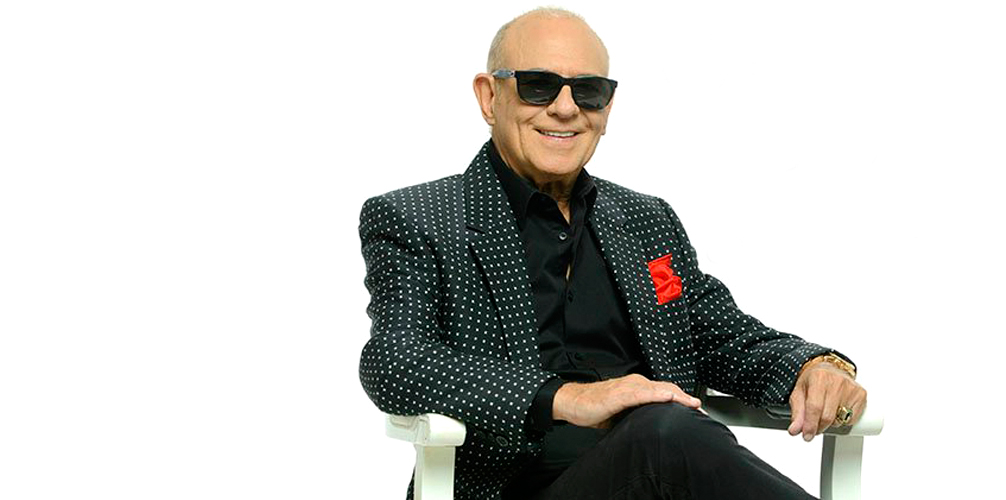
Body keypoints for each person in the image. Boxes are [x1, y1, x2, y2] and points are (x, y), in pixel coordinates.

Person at [358, 7, 868, 500]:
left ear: (607, 108)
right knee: (663, 433)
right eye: (538, 85)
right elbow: (395, 361)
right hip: (514, 485)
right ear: (489, 97)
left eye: (588, 91)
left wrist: (813, 367)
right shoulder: (419, 219)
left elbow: (720, 336)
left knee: (664, 432)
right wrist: (568, 398)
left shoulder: (646, 222)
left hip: (662, 473)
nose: (565, 108)